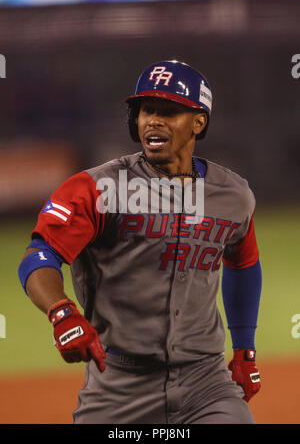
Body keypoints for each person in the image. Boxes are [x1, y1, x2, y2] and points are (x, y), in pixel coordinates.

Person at [18, 60, 262, 424]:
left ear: (199, 121)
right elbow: (39, 257)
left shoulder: (233, 194)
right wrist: (61, 312)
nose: (154, 120)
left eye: (169, 111)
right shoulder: (97, 188)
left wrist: (245, 349)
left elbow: (243, 264)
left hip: (207, 383)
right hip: (118, 387)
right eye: (147, 110)